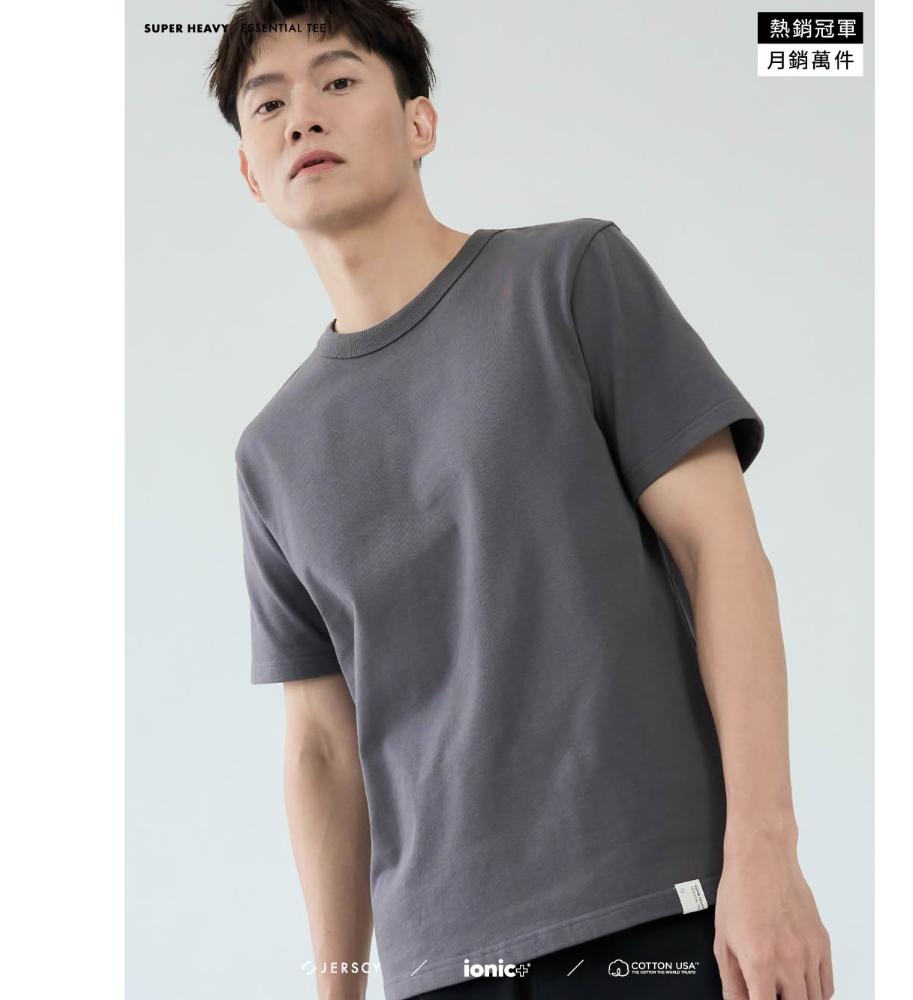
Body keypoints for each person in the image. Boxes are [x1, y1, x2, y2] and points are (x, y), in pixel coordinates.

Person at [209, 2, 834, 998]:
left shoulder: (569, 279)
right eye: (268, 104)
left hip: (654, 911)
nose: (303, 117)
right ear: (250, 171)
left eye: (338, 81)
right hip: (440, 963)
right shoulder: (272, 453)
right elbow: (321, 744)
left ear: (420, 122)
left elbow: (722, 552)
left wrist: (766, 851)